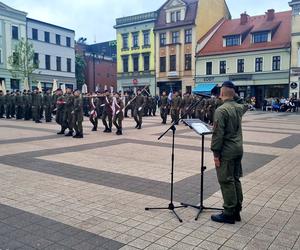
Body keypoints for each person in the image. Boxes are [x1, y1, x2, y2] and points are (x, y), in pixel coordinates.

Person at [210, 81, 248, 224]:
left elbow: (217, 135)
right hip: (238, 149)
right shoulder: (239, 107)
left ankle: (229, 212)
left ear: (221, 93)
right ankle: (237, 209)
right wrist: (233, 95)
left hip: (227, 151)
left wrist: (215, 155)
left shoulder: (221, 110)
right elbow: (243, 102)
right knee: (235, 179)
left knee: (226, 180)